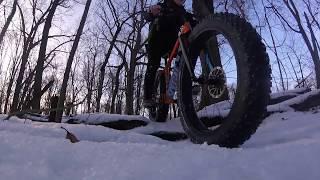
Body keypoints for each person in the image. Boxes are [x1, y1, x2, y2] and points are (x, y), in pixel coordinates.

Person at [143, 0, 189, 107]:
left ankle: (185, 83)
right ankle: (148, 97)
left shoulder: (182, 12)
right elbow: (147, 15)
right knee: (153, 64)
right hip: (156, 41)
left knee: (186, 53)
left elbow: (188, 21)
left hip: (172, 43)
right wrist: (150, 12)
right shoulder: (163, 5)